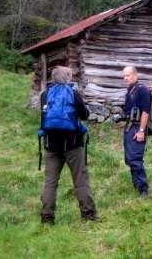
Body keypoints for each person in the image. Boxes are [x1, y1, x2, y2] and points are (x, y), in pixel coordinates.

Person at [39, 66, 99, 224]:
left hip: (51, 144)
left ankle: (47, 218)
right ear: (67, 78)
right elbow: (85, 114)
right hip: (72, 143)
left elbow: (44, 118)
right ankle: (88, 215)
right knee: (80, 179)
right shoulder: (73, 93)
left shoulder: (45, 95)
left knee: (50, 182)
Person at [120, 66, 151, 199]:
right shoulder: (130, 90)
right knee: (129, 158)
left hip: (138, 128)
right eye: (124, 76)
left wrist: (141, 131)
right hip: (129, 127)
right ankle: (136, 185)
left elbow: (145, 112)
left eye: (128, 75)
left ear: (135, 76)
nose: (126, 78)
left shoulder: (142, 90)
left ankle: (144, 190)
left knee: (135, 158)